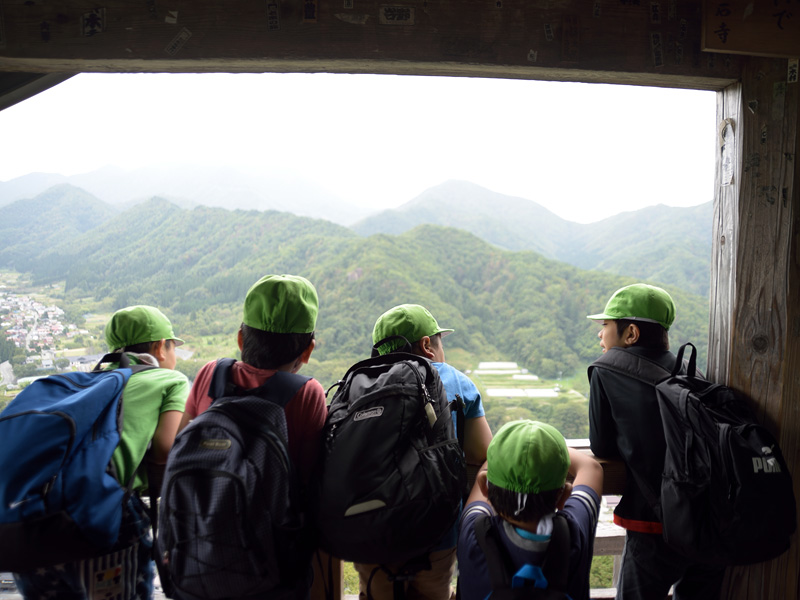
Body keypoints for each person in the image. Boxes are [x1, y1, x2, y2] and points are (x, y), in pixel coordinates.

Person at [13, 305, 190, 600]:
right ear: (161, 347)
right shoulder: (169, 380)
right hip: (104, 520)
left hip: (34, 528)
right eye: (173, 346)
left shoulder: (83, 384)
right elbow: (164, 449)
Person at [177, 274, 328, 596]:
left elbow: (181, 440)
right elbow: (308, 479)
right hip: (269, 565)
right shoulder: (306, 393)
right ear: (308, 350)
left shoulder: (209, 374)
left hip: (198, 552)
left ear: (241, 339)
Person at [586, 283, 725, 600]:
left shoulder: (605, 370)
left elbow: (602, 447)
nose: (600, 335)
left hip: (652, 523)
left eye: (605, 325)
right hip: (706, 522)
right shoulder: (693, 373)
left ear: (630, 333)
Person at [355, 303, 494, 600]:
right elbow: (483, 452)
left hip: (373, 532)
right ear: (428, 345)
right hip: (437, 535)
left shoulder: (361, 382)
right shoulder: (456, 381)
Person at [457, 420, 603, 600]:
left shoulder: (474, 534)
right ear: (564, 496)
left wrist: (507, 451)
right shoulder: (574, 531)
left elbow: (483, 477)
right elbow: (591, 468)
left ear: (484, 486)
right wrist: (546, 449)